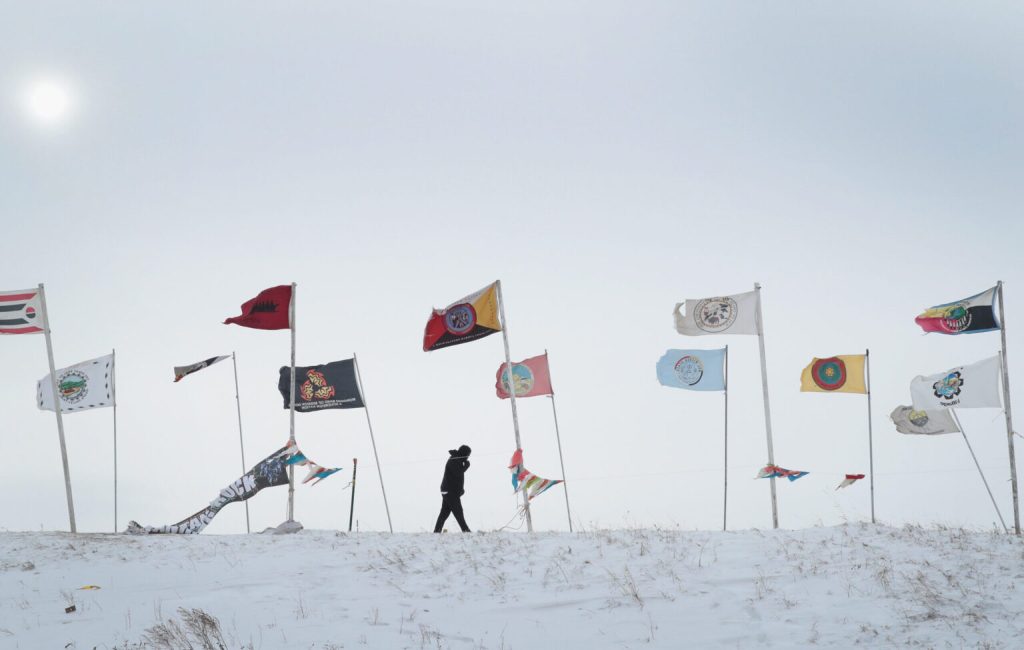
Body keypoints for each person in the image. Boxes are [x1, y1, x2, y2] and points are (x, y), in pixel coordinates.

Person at [433, 445, 472, 533]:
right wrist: (466, 466)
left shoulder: (457, 459)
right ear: (464, 453)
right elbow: (458, 473)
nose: (468, 457)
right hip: (450, 491)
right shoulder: (454, 460)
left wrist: (460, 490)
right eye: (468, 454)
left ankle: (436, 531)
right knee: (458, 511)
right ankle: (466, 530)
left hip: (449, 491)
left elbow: (457, 477)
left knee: (444, 513)